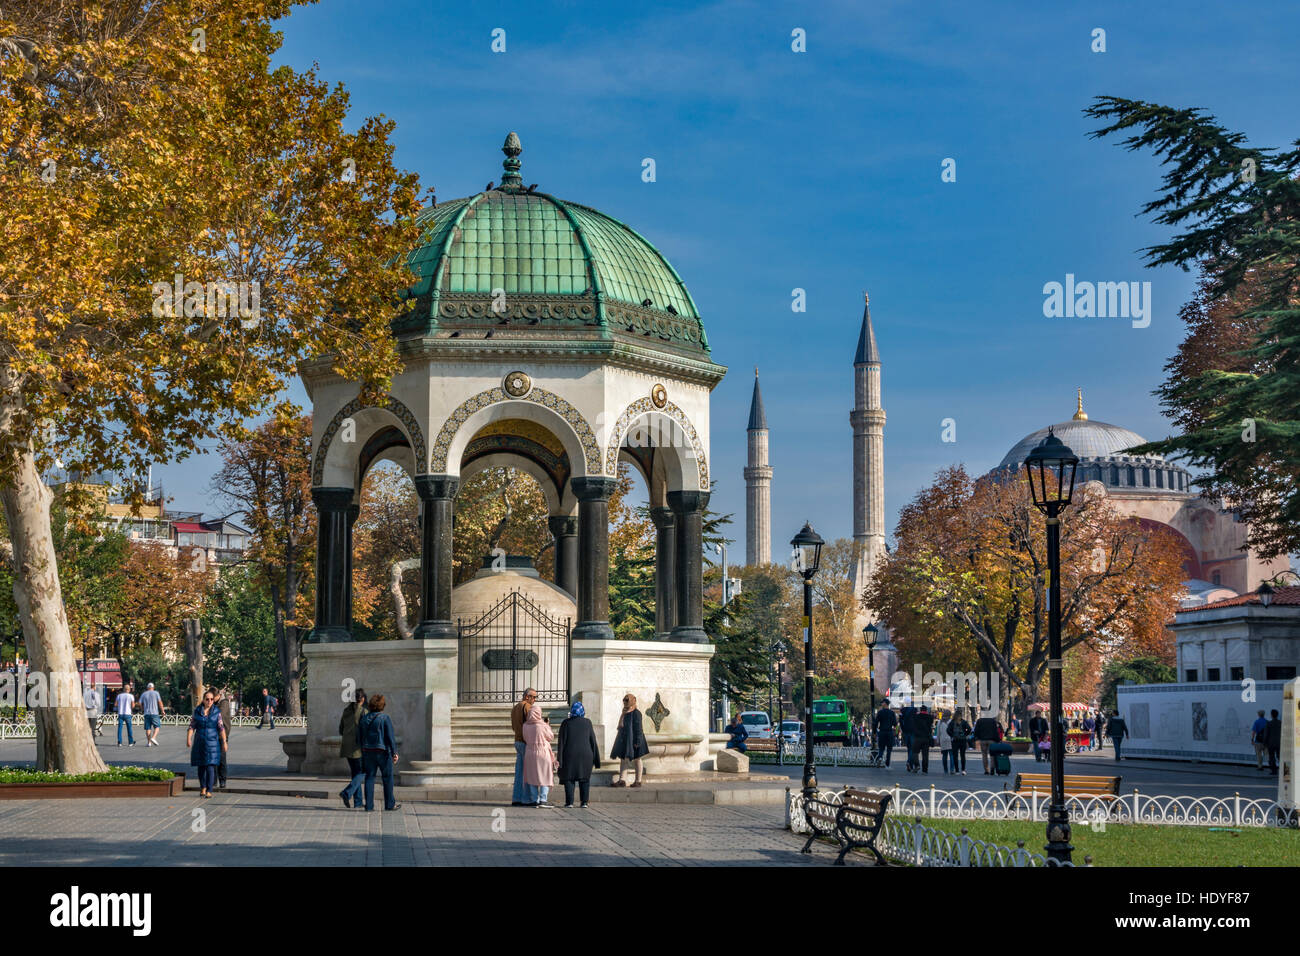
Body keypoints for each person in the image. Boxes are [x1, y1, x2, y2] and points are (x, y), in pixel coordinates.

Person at [358, 693, 400, 811]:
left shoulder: (364, 718)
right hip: (382, 752)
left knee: (369, 778)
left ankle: (369, 806)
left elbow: (359, 737)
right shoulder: (385, 718)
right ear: (383, 705)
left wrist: (363, 750)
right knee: (387, 778)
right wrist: (394, 752)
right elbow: (390, 737)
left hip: (368, 752)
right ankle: (389, 804)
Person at [557, 700, 599, 808]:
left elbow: (561, 742)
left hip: (569, 755)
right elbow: (593, 741)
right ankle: (584, 802)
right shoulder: (587, 722)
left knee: (569, 778)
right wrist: (596, 759)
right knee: (584, 778)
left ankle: (569, 802)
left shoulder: (565, 723)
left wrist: (559, 759)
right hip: (586, 755)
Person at [187, 689, 227, 798]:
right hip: (200, 742)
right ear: (203, 700)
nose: (209, 701)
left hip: (213, 743)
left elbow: (221, 727)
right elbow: (192, 726)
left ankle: (209, 789)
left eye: (211, 699)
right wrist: (188, 738)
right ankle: (203, 787)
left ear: (214, 700)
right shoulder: (197, 711)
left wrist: (224, 742)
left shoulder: (216, 712)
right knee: (201, 767)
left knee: (210, 767)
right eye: (207, 699)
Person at [610, 693, 649, 787]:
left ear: (633, 700)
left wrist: (638, 741)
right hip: (626, 740)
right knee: (623, 759)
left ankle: (638, 781)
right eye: (624, 700)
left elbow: (639, 728)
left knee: (637, 759)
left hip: (635, 740)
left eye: (627, 700)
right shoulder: (625, 712)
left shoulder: (636, 713)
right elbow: (621, 727)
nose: (625, 702)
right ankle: (622, 780)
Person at [523, 704, 558, 807]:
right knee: (545, 775)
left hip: (529, 752)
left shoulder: (525, 725)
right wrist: (547, 725)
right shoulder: (542, 725)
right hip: (542, 753)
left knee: (532, 776)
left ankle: (534, 799)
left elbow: (525, 738)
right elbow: (550, 737)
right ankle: (543, 799)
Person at [338, 688, 367, 809]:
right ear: (363, 699)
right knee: (364, 772)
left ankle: (358, 802)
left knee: (355, 774)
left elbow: (340, 729)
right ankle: (347, 792)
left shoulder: (346, 711)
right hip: (358, 748)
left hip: (346, 746)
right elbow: (365, 730)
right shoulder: (363, 711)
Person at [511, 688, 537, 806]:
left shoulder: (515, 707)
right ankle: (528, 798)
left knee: (519, 772)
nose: (535, 700)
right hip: (526, 742)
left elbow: (513, 726)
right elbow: (532, 723)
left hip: (517, 740)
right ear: (527, 696)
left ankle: (517, 798)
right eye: (533, 697)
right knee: (529, 772)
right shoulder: (526, 706)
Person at [214, 688, 234, 789]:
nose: (211, 700)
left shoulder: (224, 702)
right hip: (212, 734)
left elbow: (219, 715)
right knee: (212, 758)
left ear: (218, 695)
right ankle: (212, 780)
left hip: (222, 734)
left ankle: (222, 780)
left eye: (213, 698)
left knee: (221, 758)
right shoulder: (214, 703)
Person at [139, 682, 165, 747]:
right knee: (157, 726)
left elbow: (139, 703)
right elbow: (160, 702)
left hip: (146, 713)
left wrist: (142, 709)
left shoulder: (144, 694)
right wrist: (162, 711)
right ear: (153, 687)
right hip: (155, 713)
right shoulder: (156, 693)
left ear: (147, 688)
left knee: (148, 728)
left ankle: (149, 743)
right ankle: (153, 737)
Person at [911, 704, 934, 773]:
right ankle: (925, 770)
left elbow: (913, 727)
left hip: (917, 738)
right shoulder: (930, 717)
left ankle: (917, 765)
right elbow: (930, 726)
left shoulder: (916, 717)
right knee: (925, 755)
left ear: (920, 710)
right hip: (926, 738)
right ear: (926, 710)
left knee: (915, 752)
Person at [872, 703, 897, 767]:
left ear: (885, 704)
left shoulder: (880, 712)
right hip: (889, 731)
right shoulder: (892, 713)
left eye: (882, 704)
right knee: (889, 748)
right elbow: (895, 723)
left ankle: (880, 757)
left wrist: (874, 732)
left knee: (881, 747)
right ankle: (887, 763)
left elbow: (876, 723)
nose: (881, 705)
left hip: (882, 731)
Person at [115, 682, 137, 747]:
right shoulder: (131, 696)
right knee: (129, 728)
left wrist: (120, 705)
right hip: (127, 714)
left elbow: (115, 704)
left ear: (124, 689)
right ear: (129, 689)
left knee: (120, 728)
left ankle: (119, 742)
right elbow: (133, 706)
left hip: (121, 713)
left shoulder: (119, 696)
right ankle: (130, 742)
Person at [899, 701, 918, 771]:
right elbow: (916, 720)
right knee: (913, 748)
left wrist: (903, 729)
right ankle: (909, 762)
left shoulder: (902, 711)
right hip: (913, 731)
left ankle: (910, 765)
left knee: (909, 748)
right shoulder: (914, 710)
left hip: (906, 731)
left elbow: (900, 721)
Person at [937, 709, 954, 774]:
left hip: (943, 740)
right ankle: (952, 769)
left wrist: (938, 741)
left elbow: (938, 733)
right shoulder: (952, 721)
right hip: (950, 740)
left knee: (944, 756)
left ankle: (945, 770)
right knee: (952, 755)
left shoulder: (939, 722)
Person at [1266, 709, 1282, 775]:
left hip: (1271, 743)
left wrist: (1265, 743)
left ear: (1271, 715)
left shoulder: (1269, 723)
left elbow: (1266, 734)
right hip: (1279, 743)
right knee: (1280, 757)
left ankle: (1274, 771)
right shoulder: (1281, 723)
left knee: (1272, 757)